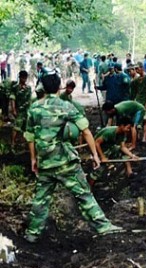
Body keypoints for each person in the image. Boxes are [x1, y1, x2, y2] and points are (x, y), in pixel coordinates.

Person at [23, 68, 121, 243]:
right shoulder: (66, 106)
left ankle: (32, 233)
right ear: (59, 87)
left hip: (45, 162)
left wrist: (33, 159)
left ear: (43, 88)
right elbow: (86, 131)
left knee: (41, 200)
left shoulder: (34, 108)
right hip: (65, 162)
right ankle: (103, 226)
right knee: (83, 194)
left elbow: (30, 136)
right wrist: (95, 155)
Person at [130, 61, 146, 143]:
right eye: (135, 69)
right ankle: (138, 135)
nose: (136, 70)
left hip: (145, 100)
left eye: (137, 68)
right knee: (138, 119)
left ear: (142, 68)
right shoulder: (137, 80)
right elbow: (134, 91)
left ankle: (144, 136)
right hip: (138, 101)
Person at [10, 70, 32, 147]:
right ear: (19, 78)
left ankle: (21, 141)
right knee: (16, 126)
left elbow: (29, 100)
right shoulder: (15, 87)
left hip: (26, 110)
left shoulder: (28, 88)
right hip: (19, 110)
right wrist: (13, 109)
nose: (24, 79)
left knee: (24, 127)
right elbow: (12, 98)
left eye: (25, 78)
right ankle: (13, 142)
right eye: (23, 78)